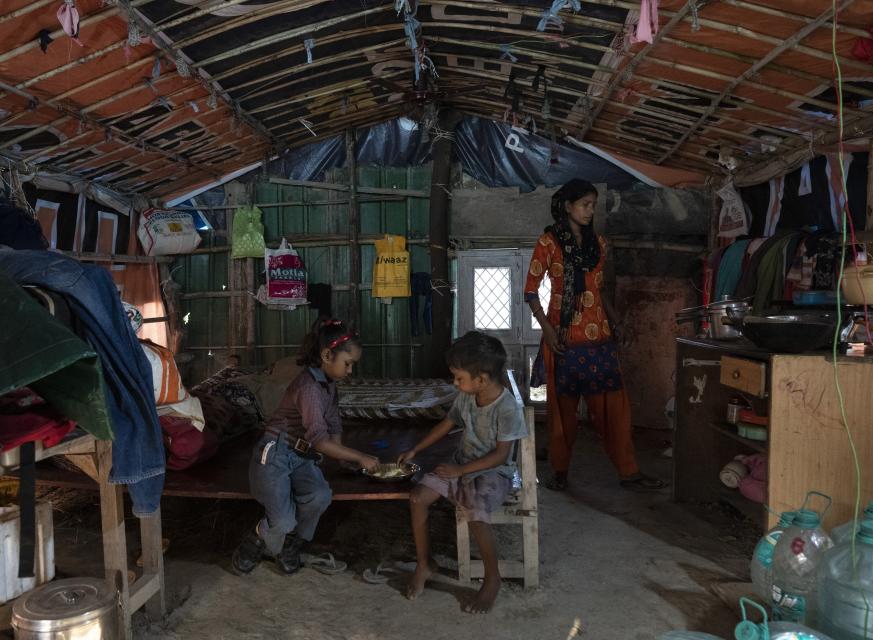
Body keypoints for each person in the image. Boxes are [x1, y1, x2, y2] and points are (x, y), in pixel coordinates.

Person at [524, 178, 664, 492]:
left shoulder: (598, 244)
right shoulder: (548, 242)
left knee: (614, 407)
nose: (590, 211)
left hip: (599, 338)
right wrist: (547, 332)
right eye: (585, 205)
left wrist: (617, 321)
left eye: (593, 206)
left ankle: (629, 472)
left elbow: (597, 289)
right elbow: (530, 292)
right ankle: (559, 472)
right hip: (563, 339)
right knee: (563, 413)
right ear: (567, 206)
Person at [232, 319, 380, 576]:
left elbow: (333, 428)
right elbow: (321, 441)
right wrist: (361, 457)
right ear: (326, 355)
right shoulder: (309, 387)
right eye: (348, 364)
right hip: (275, 454)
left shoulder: (329, 387)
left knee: (320, 496)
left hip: (301, 456)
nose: (350, 371)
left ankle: (290, 544)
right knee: (284, 519)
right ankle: (256, 538)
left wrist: (346, 459)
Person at [398, 331, 527, 613]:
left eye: (459, 378)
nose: (455, 383)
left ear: (481, 379)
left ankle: (492, 579)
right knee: (418, 498)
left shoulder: (506, 408)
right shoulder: (467, 397)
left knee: (476, 514)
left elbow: (500, 455)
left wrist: (460, 470)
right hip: (462, 464)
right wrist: (415, 450)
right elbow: (446, 425)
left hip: (495, 473)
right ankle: (425, 563)